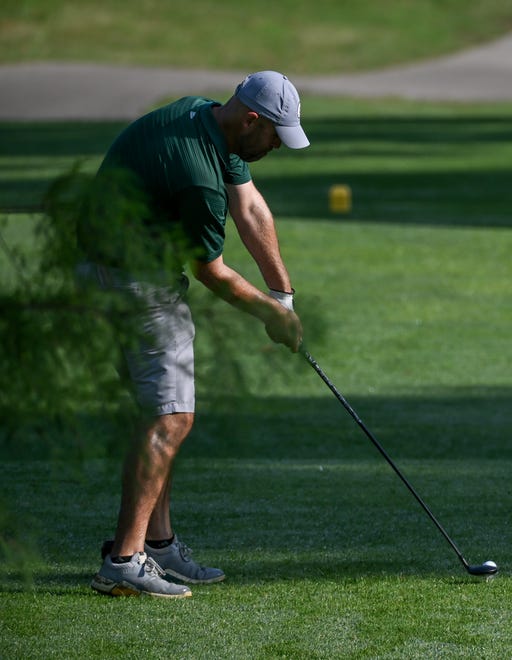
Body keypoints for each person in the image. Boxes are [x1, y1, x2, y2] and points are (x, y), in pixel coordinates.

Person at [79, 71, 310, 599]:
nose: (277, 146)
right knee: (171, 415)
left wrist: (283, 297)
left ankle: (156, 545)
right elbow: (211, 271)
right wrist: (269, 318)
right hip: (133, 282)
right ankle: (124, 560)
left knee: (156, 412)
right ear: (252, 119)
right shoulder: (197, 176)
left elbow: (250, 207)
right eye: (275, 135)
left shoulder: (208, 119)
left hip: (106, 272)